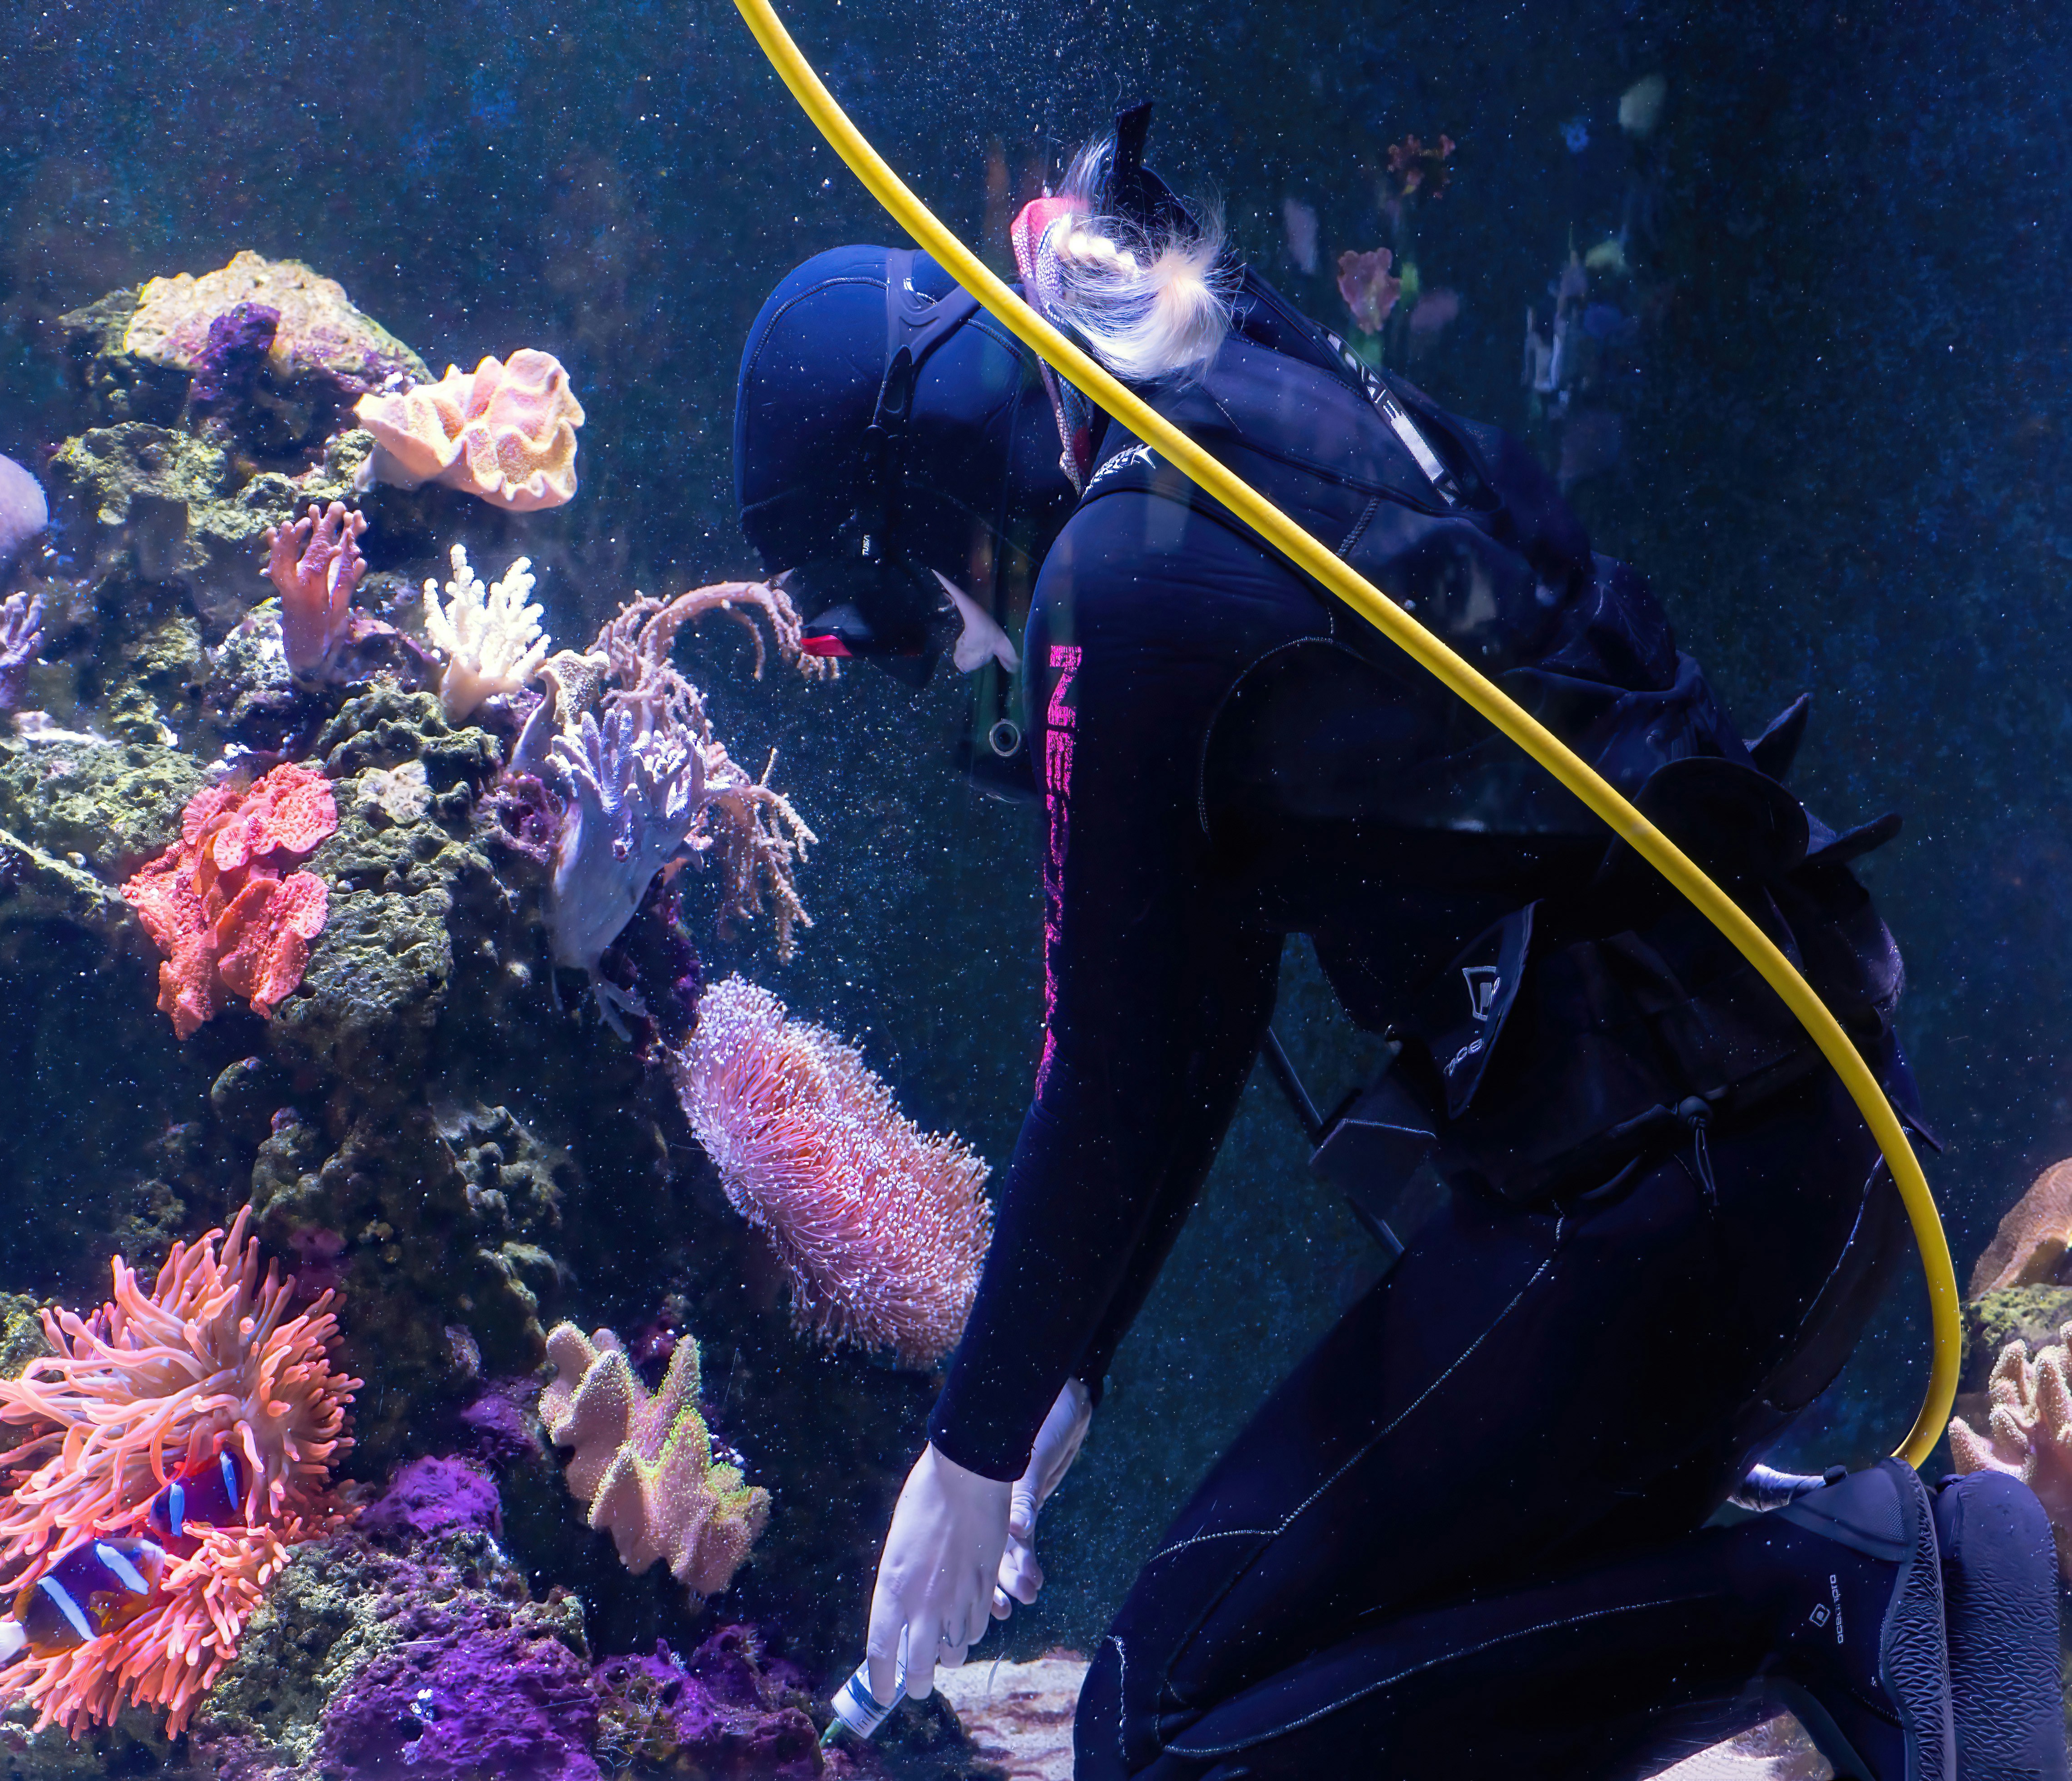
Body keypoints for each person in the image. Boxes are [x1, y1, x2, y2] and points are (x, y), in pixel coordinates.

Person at [732, 104, 2067, 1781]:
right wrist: (1052, 1381)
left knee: (1160, 1738)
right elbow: (1192, 1012)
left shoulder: (1119, 577)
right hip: (1779, 1153)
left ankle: (1839, 1587)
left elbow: (1111, 1075)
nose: (957, 653)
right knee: (1269, 1668)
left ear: (923, 485)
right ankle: (1901, 1571)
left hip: (1669, 1204)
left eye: (912, 613)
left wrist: (971, 1444)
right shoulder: (1231, 425)